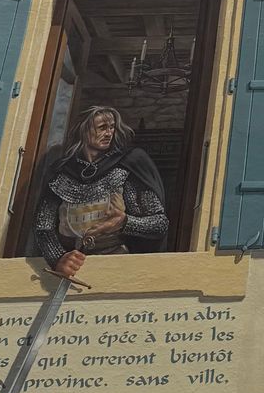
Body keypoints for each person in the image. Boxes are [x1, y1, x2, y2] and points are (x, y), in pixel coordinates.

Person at [33, 106, 168, 278]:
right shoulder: (62, 172)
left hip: (118, 263)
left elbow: (159, 223)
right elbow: (43, 226)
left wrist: (124, 222)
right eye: (102, 128)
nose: (109, 133)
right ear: (83, 130)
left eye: (112, 127)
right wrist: (58, 258)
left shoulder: (125, 167)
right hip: (74, 265)